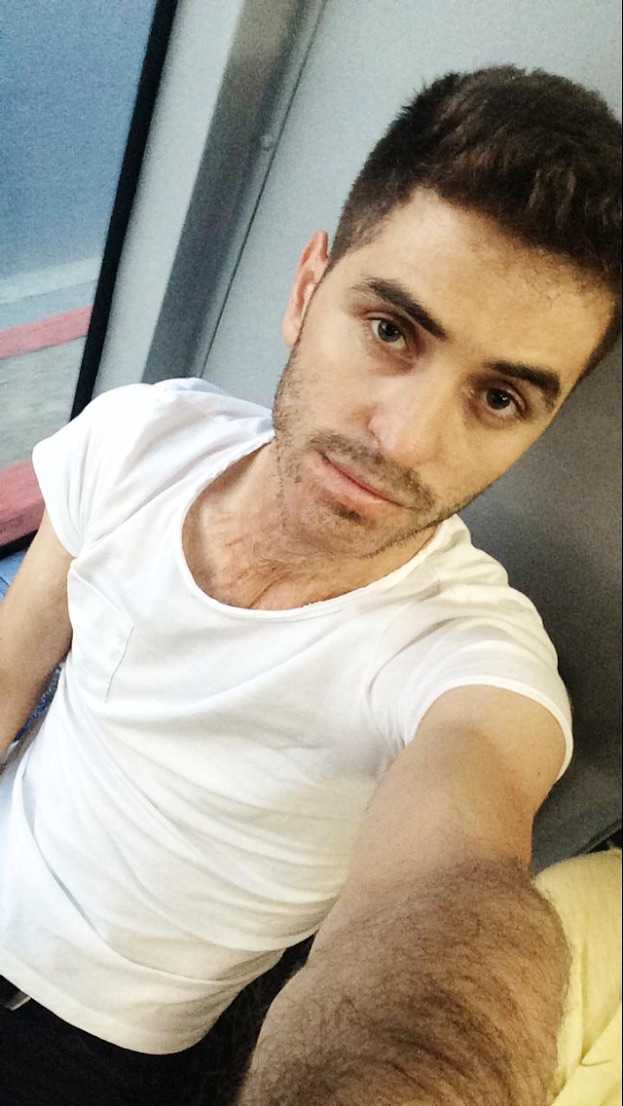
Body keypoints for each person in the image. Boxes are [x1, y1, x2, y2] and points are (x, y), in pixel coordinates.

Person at [0, 64, 621, 1105]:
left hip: (97, 1055)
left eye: (498, 397)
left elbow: (448, 899)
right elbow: (9, 669)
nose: (405, 439)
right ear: (305, 292)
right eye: (391, 330)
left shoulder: (469, 664)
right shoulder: (139, 437)